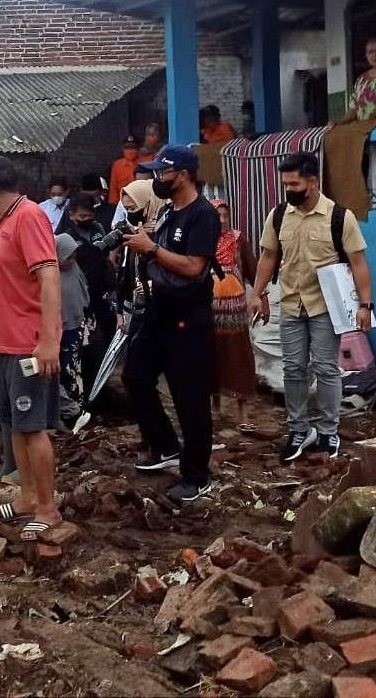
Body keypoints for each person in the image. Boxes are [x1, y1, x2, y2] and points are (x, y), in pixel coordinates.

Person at [249, 153, 373, 462]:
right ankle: (300, 430)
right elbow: (268, 257)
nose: (289, 189)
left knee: (326, 368)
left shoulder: (338, 217)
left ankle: (329, 431)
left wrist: (365, 305)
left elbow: (358, 264)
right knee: (293, 369)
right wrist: (258, 292)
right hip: (291, 303)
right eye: (285, 184)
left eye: (295, 183)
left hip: (325, 307)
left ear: (313, 182)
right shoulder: (278, 216)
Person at [122, 145, 221, 502]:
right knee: (135, 376)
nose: (155, 179)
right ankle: (165, 446)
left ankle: (196, 477)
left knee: (190, 398)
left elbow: (195, 267)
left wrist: (150, 250)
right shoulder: (167, 211)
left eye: (161, 173)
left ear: (183, 174)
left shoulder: (203, 215)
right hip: (158, 310)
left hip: (188, 319)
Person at [0, 155, 63, 540]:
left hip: (29, 345)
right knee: (12, 425)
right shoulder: (4, 222)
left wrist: (47, 341)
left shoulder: (28, 217)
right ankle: (27, 496)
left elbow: (49, 278)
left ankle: (47, 507)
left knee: (32, 428)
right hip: (5, 345)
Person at [56, 192, 115, 407]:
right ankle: (77, 401)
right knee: (76, 354)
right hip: (75, 306)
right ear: (71, 215)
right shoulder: (65, 237)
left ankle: (97, 393)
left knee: (98, 349)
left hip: (99, 299)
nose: (86, 219)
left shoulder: (98, 229)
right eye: (82, 216)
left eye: (90, 215)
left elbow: (107, 257)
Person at [210, 199, 259, 423]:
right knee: (212, 353)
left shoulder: (239, 239)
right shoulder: (203, 241)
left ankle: (243, 410)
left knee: (239, 355)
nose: (222, 220)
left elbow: (252, 271)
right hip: (209, 307)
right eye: (217, 216)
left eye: (225, 215)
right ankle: (215, 405)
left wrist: (261, 296)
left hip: (236, 309)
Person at [55, 232, 90, 423]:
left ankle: (77, 411)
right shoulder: (50, 274)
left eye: (73, 255)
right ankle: (65, 412)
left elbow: (82, 296)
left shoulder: (73, 269)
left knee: (73, 370)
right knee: (59, 371)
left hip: (76, 327)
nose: (71, 260)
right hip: (58, 329)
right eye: (67, 256)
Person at [342, 37, 376, 123]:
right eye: (370, 52)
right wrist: (339, 123)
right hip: (363, 130)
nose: (375, 55)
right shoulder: (361, 80)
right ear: (366, 55)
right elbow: (353, 109)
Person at [108, 135, 142, 205]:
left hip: (140, 204)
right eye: (127, 148)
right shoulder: (117, 165)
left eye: (133, 148)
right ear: (123, 149)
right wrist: (114, 205)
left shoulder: (144, 164)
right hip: (121, 205)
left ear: (138, 149)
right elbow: (113, 187)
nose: (130, 151)